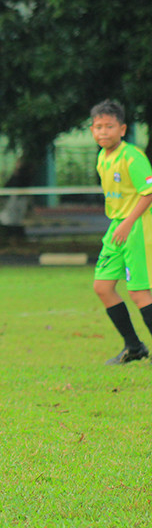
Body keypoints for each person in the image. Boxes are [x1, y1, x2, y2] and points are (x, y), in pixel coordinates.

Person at [89, 99, 152, 365]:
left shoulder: (132, 156)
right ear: (92, 130)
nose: (103, 132)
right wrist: (120, 222)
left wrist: (128, 222)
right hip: (116, 227)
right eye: (98, 127)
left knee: (139, 293)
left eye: (109, 126)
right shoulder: (103, 157)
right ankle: (134, 346)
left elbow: (148, 192)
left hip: (136, 227)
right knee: (103, 287)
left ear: (122, 129)